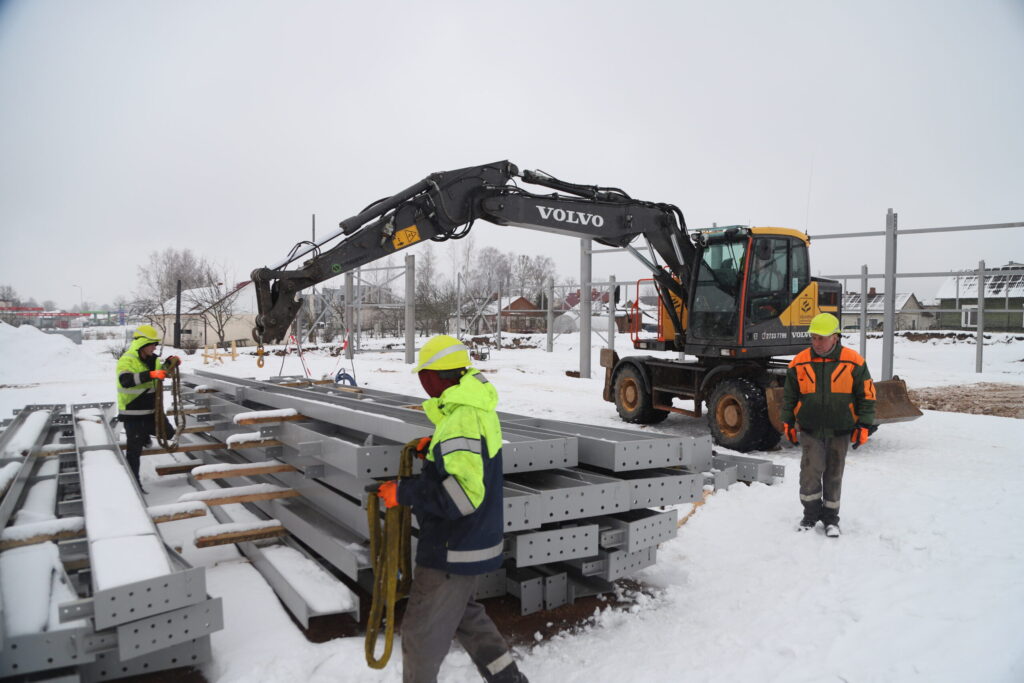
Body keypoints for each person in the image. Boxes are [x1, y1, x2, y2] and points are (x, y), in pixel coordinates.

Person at [376, 335, 527, 683]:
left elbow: (462, 496)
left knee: (420, 634)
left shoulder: (461, 419)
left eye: (424, 375)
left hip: (451, 548)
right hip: (473, 542)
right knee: (467, 618)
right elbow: (469, 465)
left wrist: (404, 491)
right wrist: (435, 450)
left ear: (438, 376)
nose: (422, 383)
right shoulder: (471, 407)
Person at [779, 313, 876, 537]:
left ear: (835, 337)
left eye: (821, 338)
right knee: (810, 473)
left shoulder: (854, 361)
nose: (817, 343)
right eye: (813, 338)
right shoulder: (799, 362)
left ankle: (831, 519)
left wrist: (864, 425)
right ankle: (811, 515)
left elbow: (867, 396)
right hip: (811, 429)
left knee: (834, 474)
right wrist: (787, 423)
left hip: (840, 429)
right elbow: (789, 398)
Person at [116, 324, 179, 490]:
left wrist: (170, 364)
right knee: (134, 452)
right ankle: (134, 485)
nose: (155, 347)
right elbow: (126, 380)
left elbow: (161, 373)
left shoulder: (153, 360)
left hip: (152, 412)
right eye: (152, 344)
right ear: (143, 344)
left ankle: (145, 436)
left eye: (155, 344)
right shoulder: (127, 359)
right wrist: (149, 374)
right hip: (133, 414)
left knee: (169, 433)